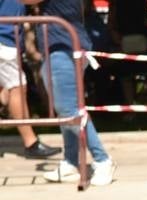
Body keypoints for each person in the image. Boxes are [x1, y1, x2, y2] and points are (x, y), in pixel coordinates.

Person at [23, 0, 116, 184]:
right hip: (61, 47)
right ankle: (70, 162)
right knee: (66, 108)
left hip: (64, 48)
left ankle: (102, 159)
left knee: (69, 108)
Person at [0, 0, 60, 158]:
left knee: (8, 90)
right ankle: (31, 143)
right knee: (17, 88)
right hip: (4, 41)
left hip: (7, 40)